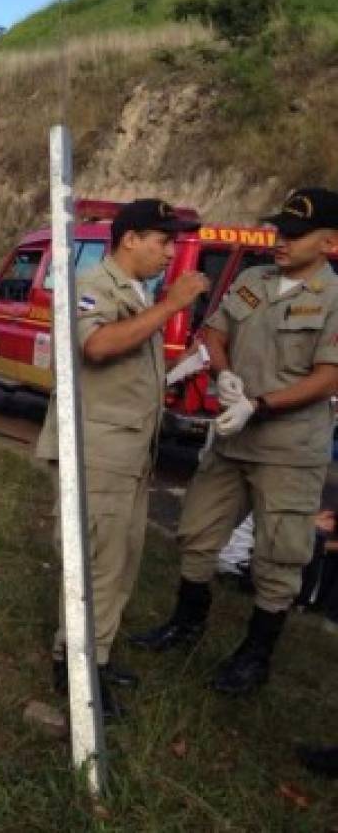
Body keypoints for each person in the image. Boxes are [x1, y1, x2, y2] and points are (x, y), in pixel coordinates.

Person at [131, 188, 338, 695]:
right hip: (232, 441)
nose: (280, 241)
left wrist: (262, 405)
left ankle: (255, 654)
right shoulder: (253, 279)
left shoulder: (334, 298)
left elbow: (330, 376)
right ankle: (187, 622)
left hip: (289, 450)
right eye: (279, 230)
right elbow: (216, 332)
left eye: (294, 235)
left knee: (278, 555)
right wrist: (225, 377)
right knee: (197, 533)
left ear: (330, 241)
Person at [38, 198, 208, 719]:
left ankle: (99, 655)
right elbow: (99, 346)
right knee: (94, 566)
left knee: (120, 563)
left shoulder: (136, 291)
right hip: (100, 453)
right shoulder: (92, 285)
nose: (169, 253)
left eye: (172, 243)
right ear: (130, 238)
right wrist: (172, 306)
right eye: (162, 241)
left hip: (130, 453)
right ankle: (78, 671)